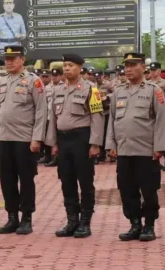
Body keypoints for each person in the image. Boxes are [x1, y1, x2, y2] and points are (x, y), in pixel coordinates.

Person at [106, 52, 165, 242]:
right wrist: (111, 144)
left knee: (148, 189)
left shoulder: (153, 90)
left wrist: (159, 147)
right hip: (124, 149)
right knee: (126, 189)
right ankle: (134, 224)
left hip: (146, 151)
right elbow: (112, 119)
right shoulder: (119, 91)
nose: (129, 69)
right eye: (127, 65)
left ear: (143, 67)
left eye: (133, 65)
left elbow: (161, 120)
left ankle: (149, 225)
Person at [45, 53, 105, 238]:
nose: (67, 68)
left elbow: (97, 117)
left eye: (71, 65)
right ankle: (72, 220)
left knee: (85, 181)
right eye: (65, 65)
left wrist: (95, 143)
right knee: (67, 181)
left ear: (80, 67)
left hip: (82, 139)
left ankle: (85, 222)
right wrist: (53, 142)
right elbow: (53, 118)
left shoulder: (91, 89)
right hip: (63, 140)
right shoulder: (57, 89)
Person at [0, 46, 47, 235]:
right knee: (6, 179)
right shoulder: (1, 80)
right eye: (6, 59)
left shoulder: (33, 81)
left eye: (13, 58)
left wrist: (37, 138)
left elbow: (41, 111)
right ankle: (12, 217)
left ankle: (26, 218)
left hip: (25, 139)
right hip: (5, 138)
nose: (9, 62)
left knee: (26, 179)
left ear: (22, 60)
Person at [148, 62, 165, 171]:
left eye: (155, 70)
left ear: (159, 71)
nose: (153, 72)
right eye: (151, 70)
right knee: (152, 138)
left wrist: (163, 110)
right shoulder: (147, 83)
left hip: (163, 115)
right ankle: (155, 161)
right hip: (151, 116)